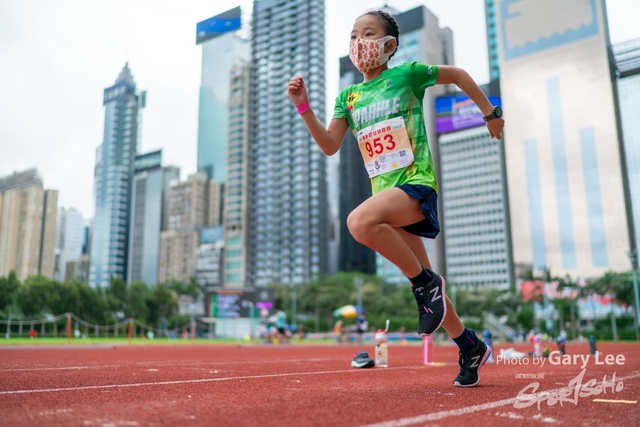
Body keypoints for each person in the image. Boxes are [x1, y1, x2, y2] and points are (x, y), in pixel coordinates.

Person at [288, 9, 504, 387]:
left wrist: (490, 114)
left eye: (368, 33)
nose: (359, 42)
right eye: (353, 35)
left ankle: (425, 284)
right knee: (432, 294)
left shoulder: (406, 75)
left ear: (389, 45)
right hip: (387, 198)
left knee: (359, 222)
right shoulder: (348, 97)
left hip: (415, 184)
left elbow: (458, 75)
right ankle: (469, 345)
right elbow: (330, 145)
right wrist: (303, 107)